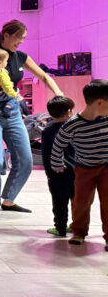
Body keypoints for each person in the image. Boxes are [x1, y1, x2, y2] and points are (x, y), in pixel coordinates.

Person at [0, 20, 63, 218]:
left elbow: (44, 76)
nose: (21, 42)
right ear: (6, 35)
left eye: (23, 38)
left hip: (13, 113)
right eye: (18, 38)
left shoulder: (21, 57)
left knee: (25, 160)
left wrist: (58, 93)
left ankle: (9, 200)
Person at [51, 80, 108, 247]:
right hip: (84, 169)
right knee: (81, 203)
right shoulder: (72, 125)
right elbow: (58, 145)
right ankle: (79, 232)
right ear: (100, 102)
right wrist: (57, 163)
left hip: (106, 168)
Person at [41, 96, 76, 237]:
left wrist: (49, 173)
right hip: (76, 172)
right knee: (77, 202)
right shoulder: (74, 128)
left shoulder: (47, 131)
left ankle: (60, 228)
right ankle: (77, 226)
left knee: (59, 203)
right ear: (69, 112)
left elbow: (46, 155)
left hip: (56, 173)